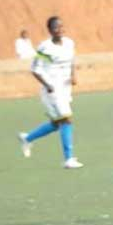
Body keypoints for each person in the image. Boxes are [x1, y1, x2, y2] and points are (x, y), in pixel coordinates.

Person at [17, 16, 83, 169]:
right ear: (50, 31)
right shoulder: (44, 48)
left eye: (61, 27)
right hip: (52, 90)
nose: (59, 30)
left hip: (66, 89)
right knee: (66, 119)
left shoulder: (69, 43)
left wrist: (73, 75)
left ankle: (27, 138)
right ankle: (68, 158)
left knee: (56, 124)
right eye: (55, 28)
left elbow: (72, 60)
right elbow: (35, 70)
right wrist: (47, 85)